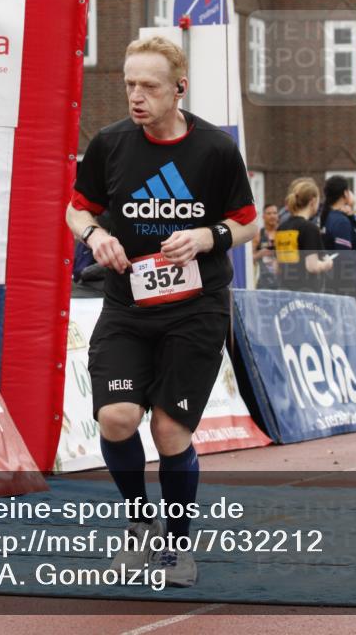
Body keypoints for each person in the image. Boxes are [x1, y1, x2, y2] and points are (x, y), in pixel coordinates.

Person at [65, 35, 257, 587]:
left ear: (179, 89)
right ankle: (140, 524)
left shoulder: (215, 150)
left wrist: (206, 235)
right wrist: (96, 236)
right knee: (117, 418)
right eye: (129, 84)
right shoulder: (110, 144)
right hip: (128, 304)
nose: (136, 96)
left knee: (171, 432)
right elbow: (77, 209)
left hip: (195, 310)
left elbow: (248, 222)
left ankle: (176, 546)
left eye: (149, 86)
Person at [274, 179, 332, 293]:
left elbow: (277, 267)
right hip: (306, 292)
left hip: (285, 290)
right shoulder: (310, 228)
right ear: (313, 201)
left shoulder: (281, 227)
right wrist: (327, 264)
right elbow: (312, 266)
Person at [320, 175, 356, 298]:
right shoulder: (340, 221)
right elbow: (345, 257)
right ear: (345, 193)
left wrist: (351, 217)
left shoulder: (329, 216)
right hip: (343, 288)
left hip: (331, 282)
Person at [252, 202, 279, 288]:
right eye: (269, 213)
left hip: (281, 278)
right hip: (263, 279)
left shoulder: (283, 232)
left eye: (275, 213)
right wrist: (260, 254)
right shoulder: (258, 234)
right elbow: (250, 259)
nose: (272, 216)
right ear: (263, 216)